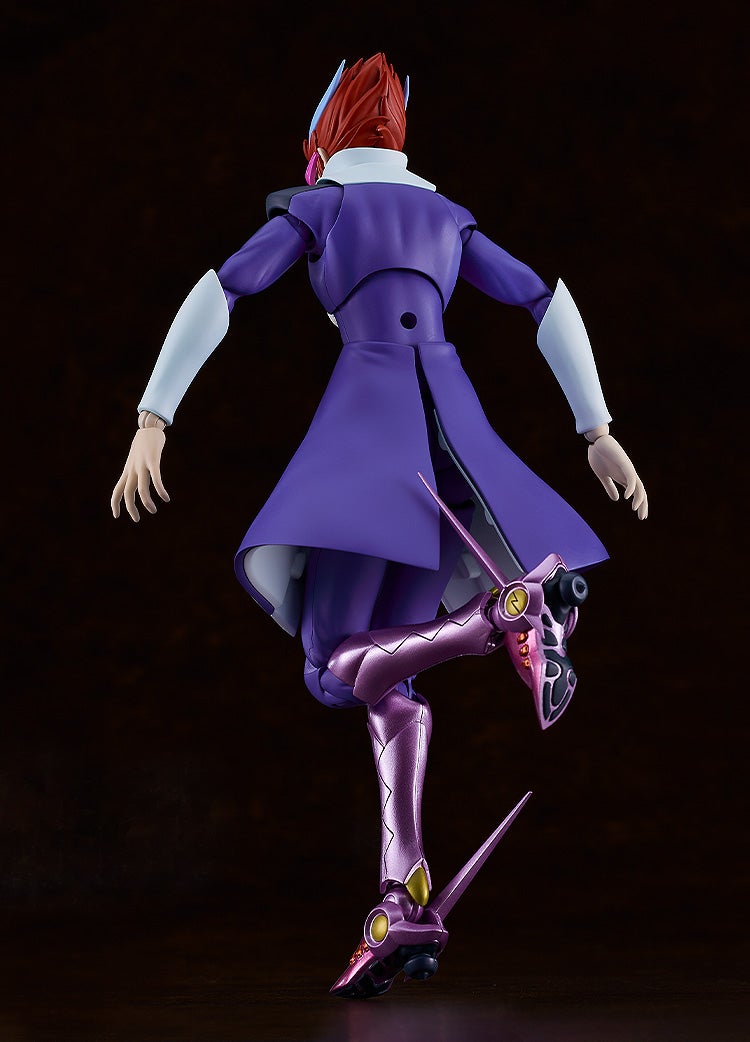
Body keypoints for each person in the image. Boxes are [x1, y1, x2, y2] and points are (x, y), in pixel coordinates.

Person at [111, 53, 648, 998]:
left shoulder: (322, 208)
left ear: (322, 148)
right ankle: (401, 893)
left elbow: (224, 287)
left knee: (331, 667)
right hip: (454, 444)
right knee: (388, 684)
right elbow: (543, 299)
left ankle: (499, 619)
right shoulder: (448, 218)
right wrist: (597, 430)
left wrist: (154, 418)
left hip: (373, 437)